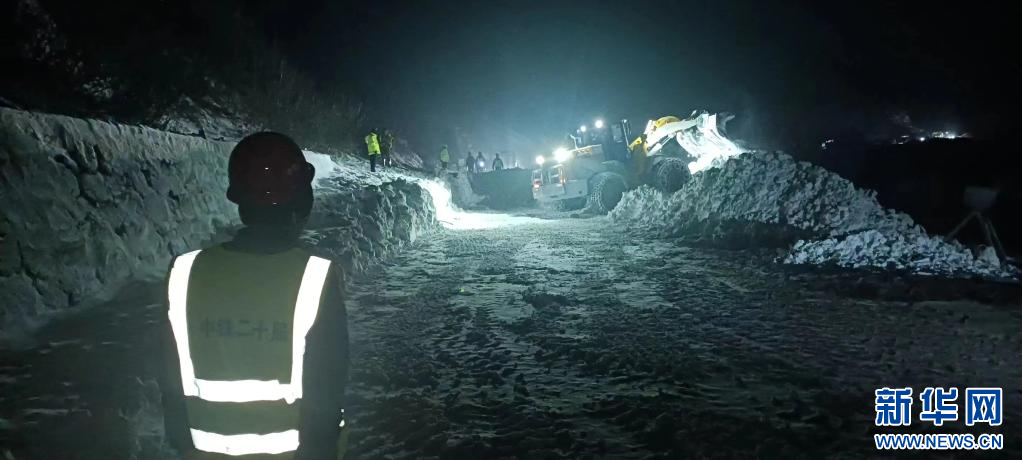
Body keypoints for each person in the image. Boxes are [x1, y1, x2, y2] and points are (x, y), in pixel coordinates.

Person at [160, 132, 349, 460]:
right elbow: (326, 385)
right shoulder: (315, 275)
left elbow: (168, 372)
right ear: (300, 200)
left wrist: (184, 443)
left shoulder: (185, 271)